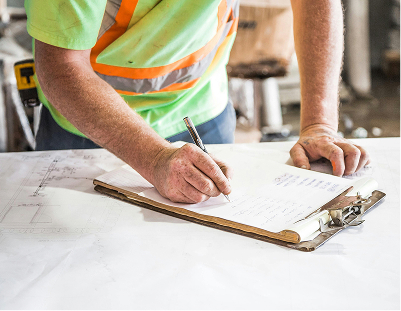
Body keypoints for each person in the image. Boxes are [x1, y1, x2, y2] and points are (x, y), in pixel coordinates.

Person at [25, 0, 369, 204]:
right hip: (90, 128)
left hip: (203, 110)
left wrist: (319, 124)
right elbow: (61, 65)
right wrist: (155, 157)